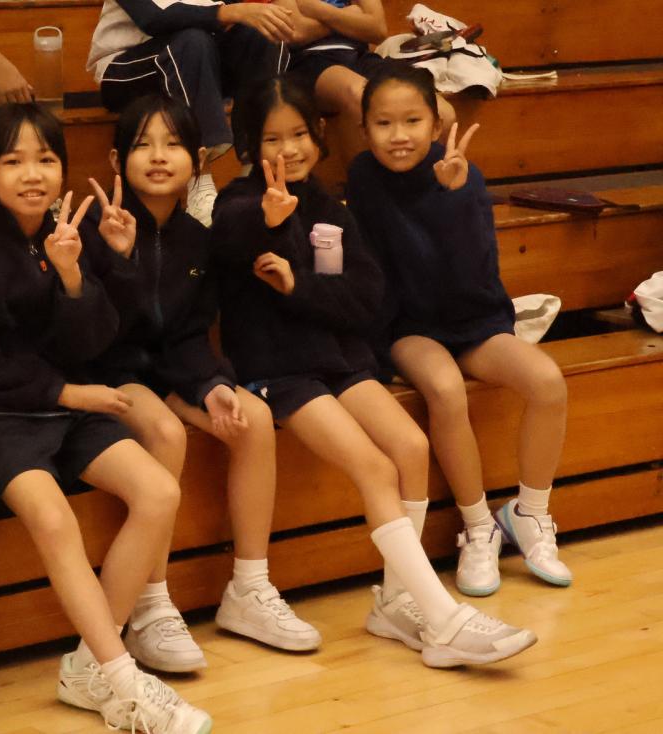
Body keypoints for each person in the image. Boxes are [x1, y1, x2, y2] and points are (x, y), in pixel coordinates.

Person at [210, 74, 537, 667]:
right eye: (272, 139)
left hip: (339, 362)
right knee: (374, 466)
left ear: (319, 135)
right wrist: (269, 223)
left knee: (410, 446)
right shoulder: (239, 204)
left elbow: (364, 299)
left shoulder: (328, 205)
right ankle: (444, 617)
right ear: (249, 146)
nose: (289, 150)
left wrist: (299, 287)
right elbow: (234, 240)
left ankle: (396, 601)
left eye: (299, 134)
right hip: (279, 372)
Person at [0, 102, 212, 734]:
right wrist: (68, 393)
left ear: (63, 167)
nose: (32, 174)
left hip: (70, 406)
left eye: (46, 159)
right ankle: (125, 684)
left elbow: (98, 340)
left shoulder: (71, 235)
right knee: (55, 518)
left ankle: (90, 665)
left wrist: (74, 278)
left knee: (159, 491)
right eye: (13, 161)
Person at [79, 94, 321, 670]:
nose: (159, 157)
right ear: (116, 160)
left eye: (174, 144)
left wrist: (210, 382)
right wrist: (121, 259)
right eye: (143, 145)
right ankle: (151, 605)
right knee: (166, 432)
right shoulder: (94, 228)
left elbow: (187, 334)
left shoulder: (196, 237)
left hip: (166, 370)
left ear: (199, 160)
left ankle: (249, 587)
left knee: (251, 417)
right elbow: (95, 333)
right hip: (106, 372)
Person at [346, 63, 570, 597]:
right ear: (365, 128)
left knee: (548, 383)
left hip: (475, 318)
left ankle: (530, 513)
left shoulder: (463, 174)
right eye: (383, 123)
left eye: (412, 121)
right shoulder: (363, 176)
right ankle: (477, 527)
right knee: (445, 389)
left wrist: (452, 196)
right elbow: (373, 272)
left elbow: (475, 274)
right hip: (409, 327)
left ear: (435, 122)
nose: (399, 135)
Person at [85, 0, 297, 222]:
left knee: (260, 34)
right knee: (192, 42)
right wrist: (233, 11)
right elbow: (154, 18)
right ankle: (199, 187)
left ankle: (255, 174)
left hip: (198, 55)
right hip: (124, 66)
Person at [284, 0, 455, 155]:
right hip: (310, 60)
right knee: (360, 95)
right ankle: (365, 178)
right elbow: (296, 31)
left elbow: (377, 29)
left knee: (443, 113)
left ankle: (429, 178)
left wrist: (318, 9)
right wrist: (351, 15)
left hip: (360, 56)